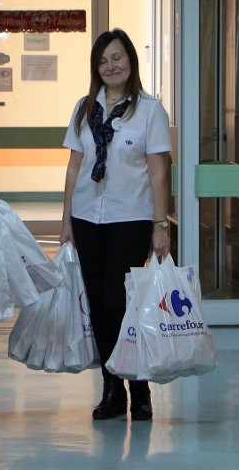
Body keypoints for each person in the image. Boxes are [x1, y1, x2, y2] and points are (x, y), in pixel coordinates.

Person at [60, 29, 172, 421]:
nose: (111, 66)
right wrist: (66, 221)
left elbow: (159, 173)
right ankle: (112, 389)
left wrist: (161, 223)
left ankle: (139, 388)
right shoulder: (84, 109)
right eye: (103, 60)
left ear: (131, 62)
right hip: (88, 218)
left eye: (117, 58)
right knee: (97, 305)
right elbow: (75, 168)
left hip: (132, 219)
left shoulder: (150, 110)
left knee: (118, 301)